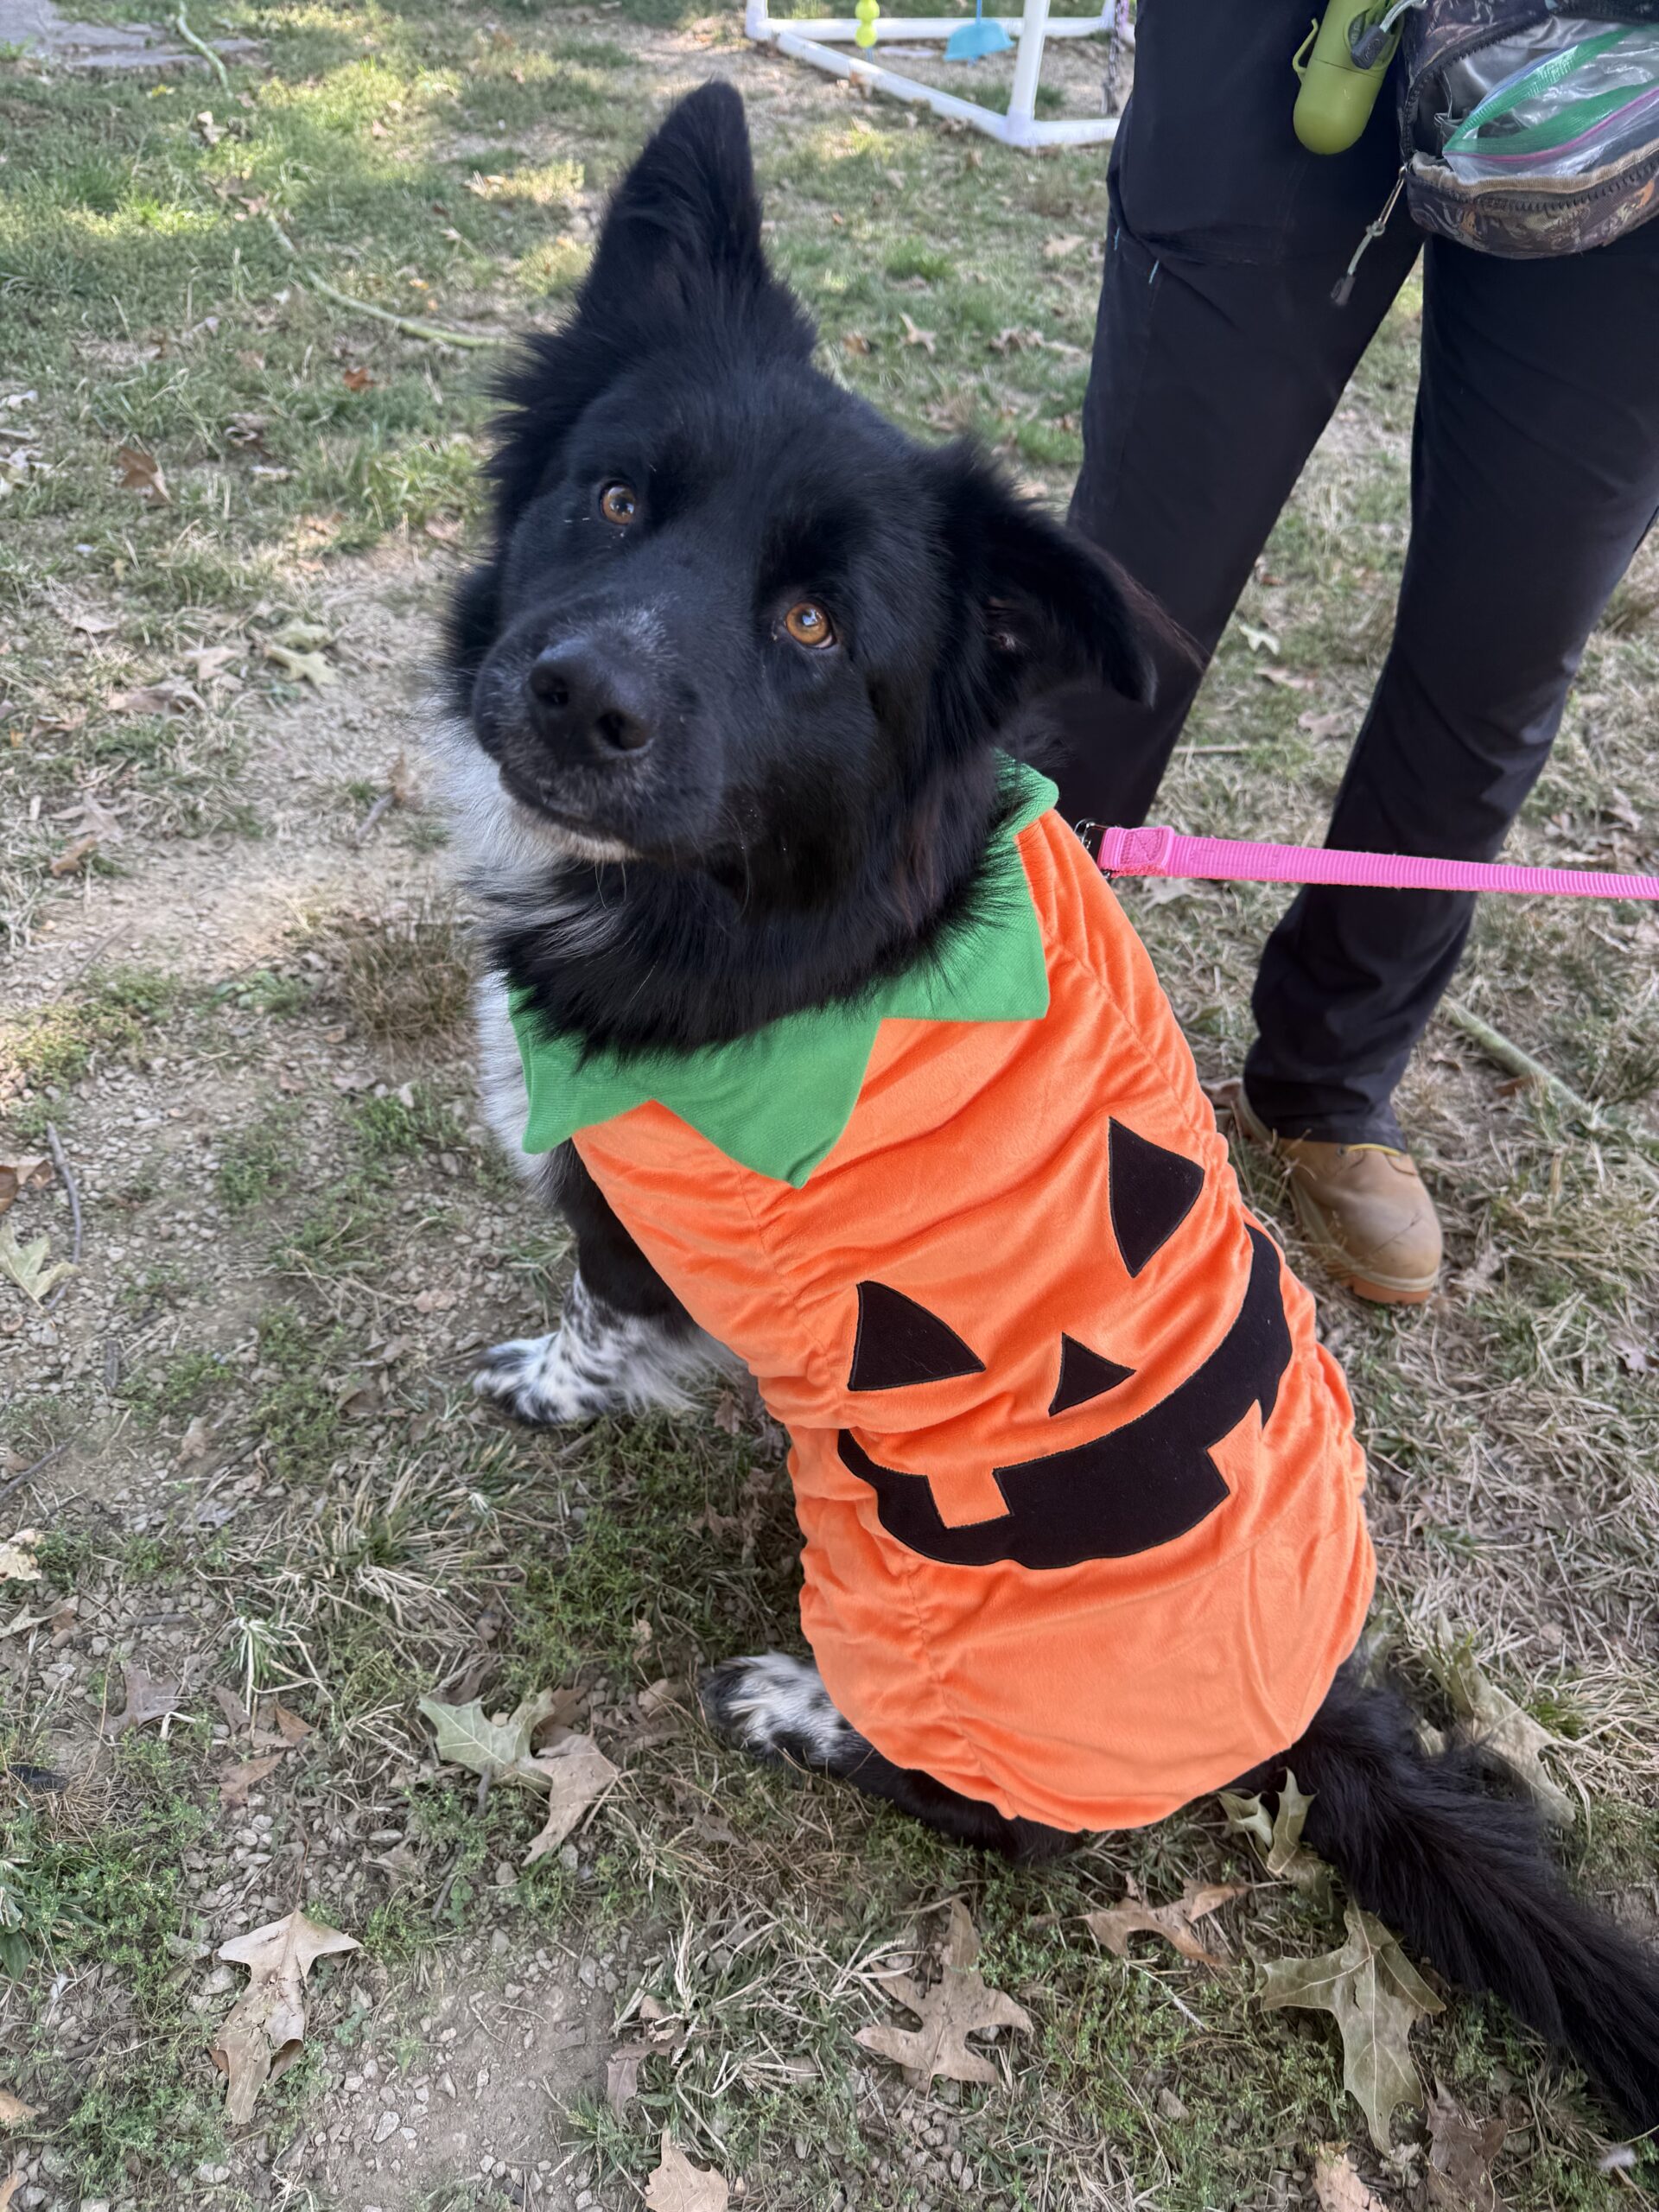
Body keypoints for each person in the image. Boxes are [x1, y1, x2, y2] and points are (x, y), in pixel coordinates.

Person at [1042, 0, 1659, 1304]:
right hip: (1295, 31)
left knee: (1507, 641)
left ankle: (1329, 1075)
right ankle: (959, 1032)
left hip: (1633, 90)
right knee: (1132, 584)